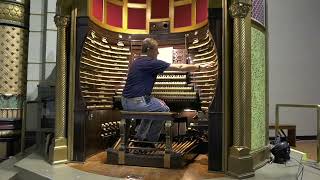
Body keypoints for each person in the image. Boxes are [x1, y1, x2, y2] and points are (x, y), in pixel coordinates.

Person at [121, 38, 212, 145]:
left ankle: (140, 137)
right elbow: (181, 66)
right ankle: (150, 141)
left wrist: (157, 100)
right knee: (164, 109)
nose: (158, 52)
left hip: (125, 101)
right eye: (156, 50)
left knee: (155, 107)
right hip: (137, 102)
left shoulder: (136, 61)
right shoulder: (151, 62)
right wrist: (200, 67)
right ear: (150, 50)